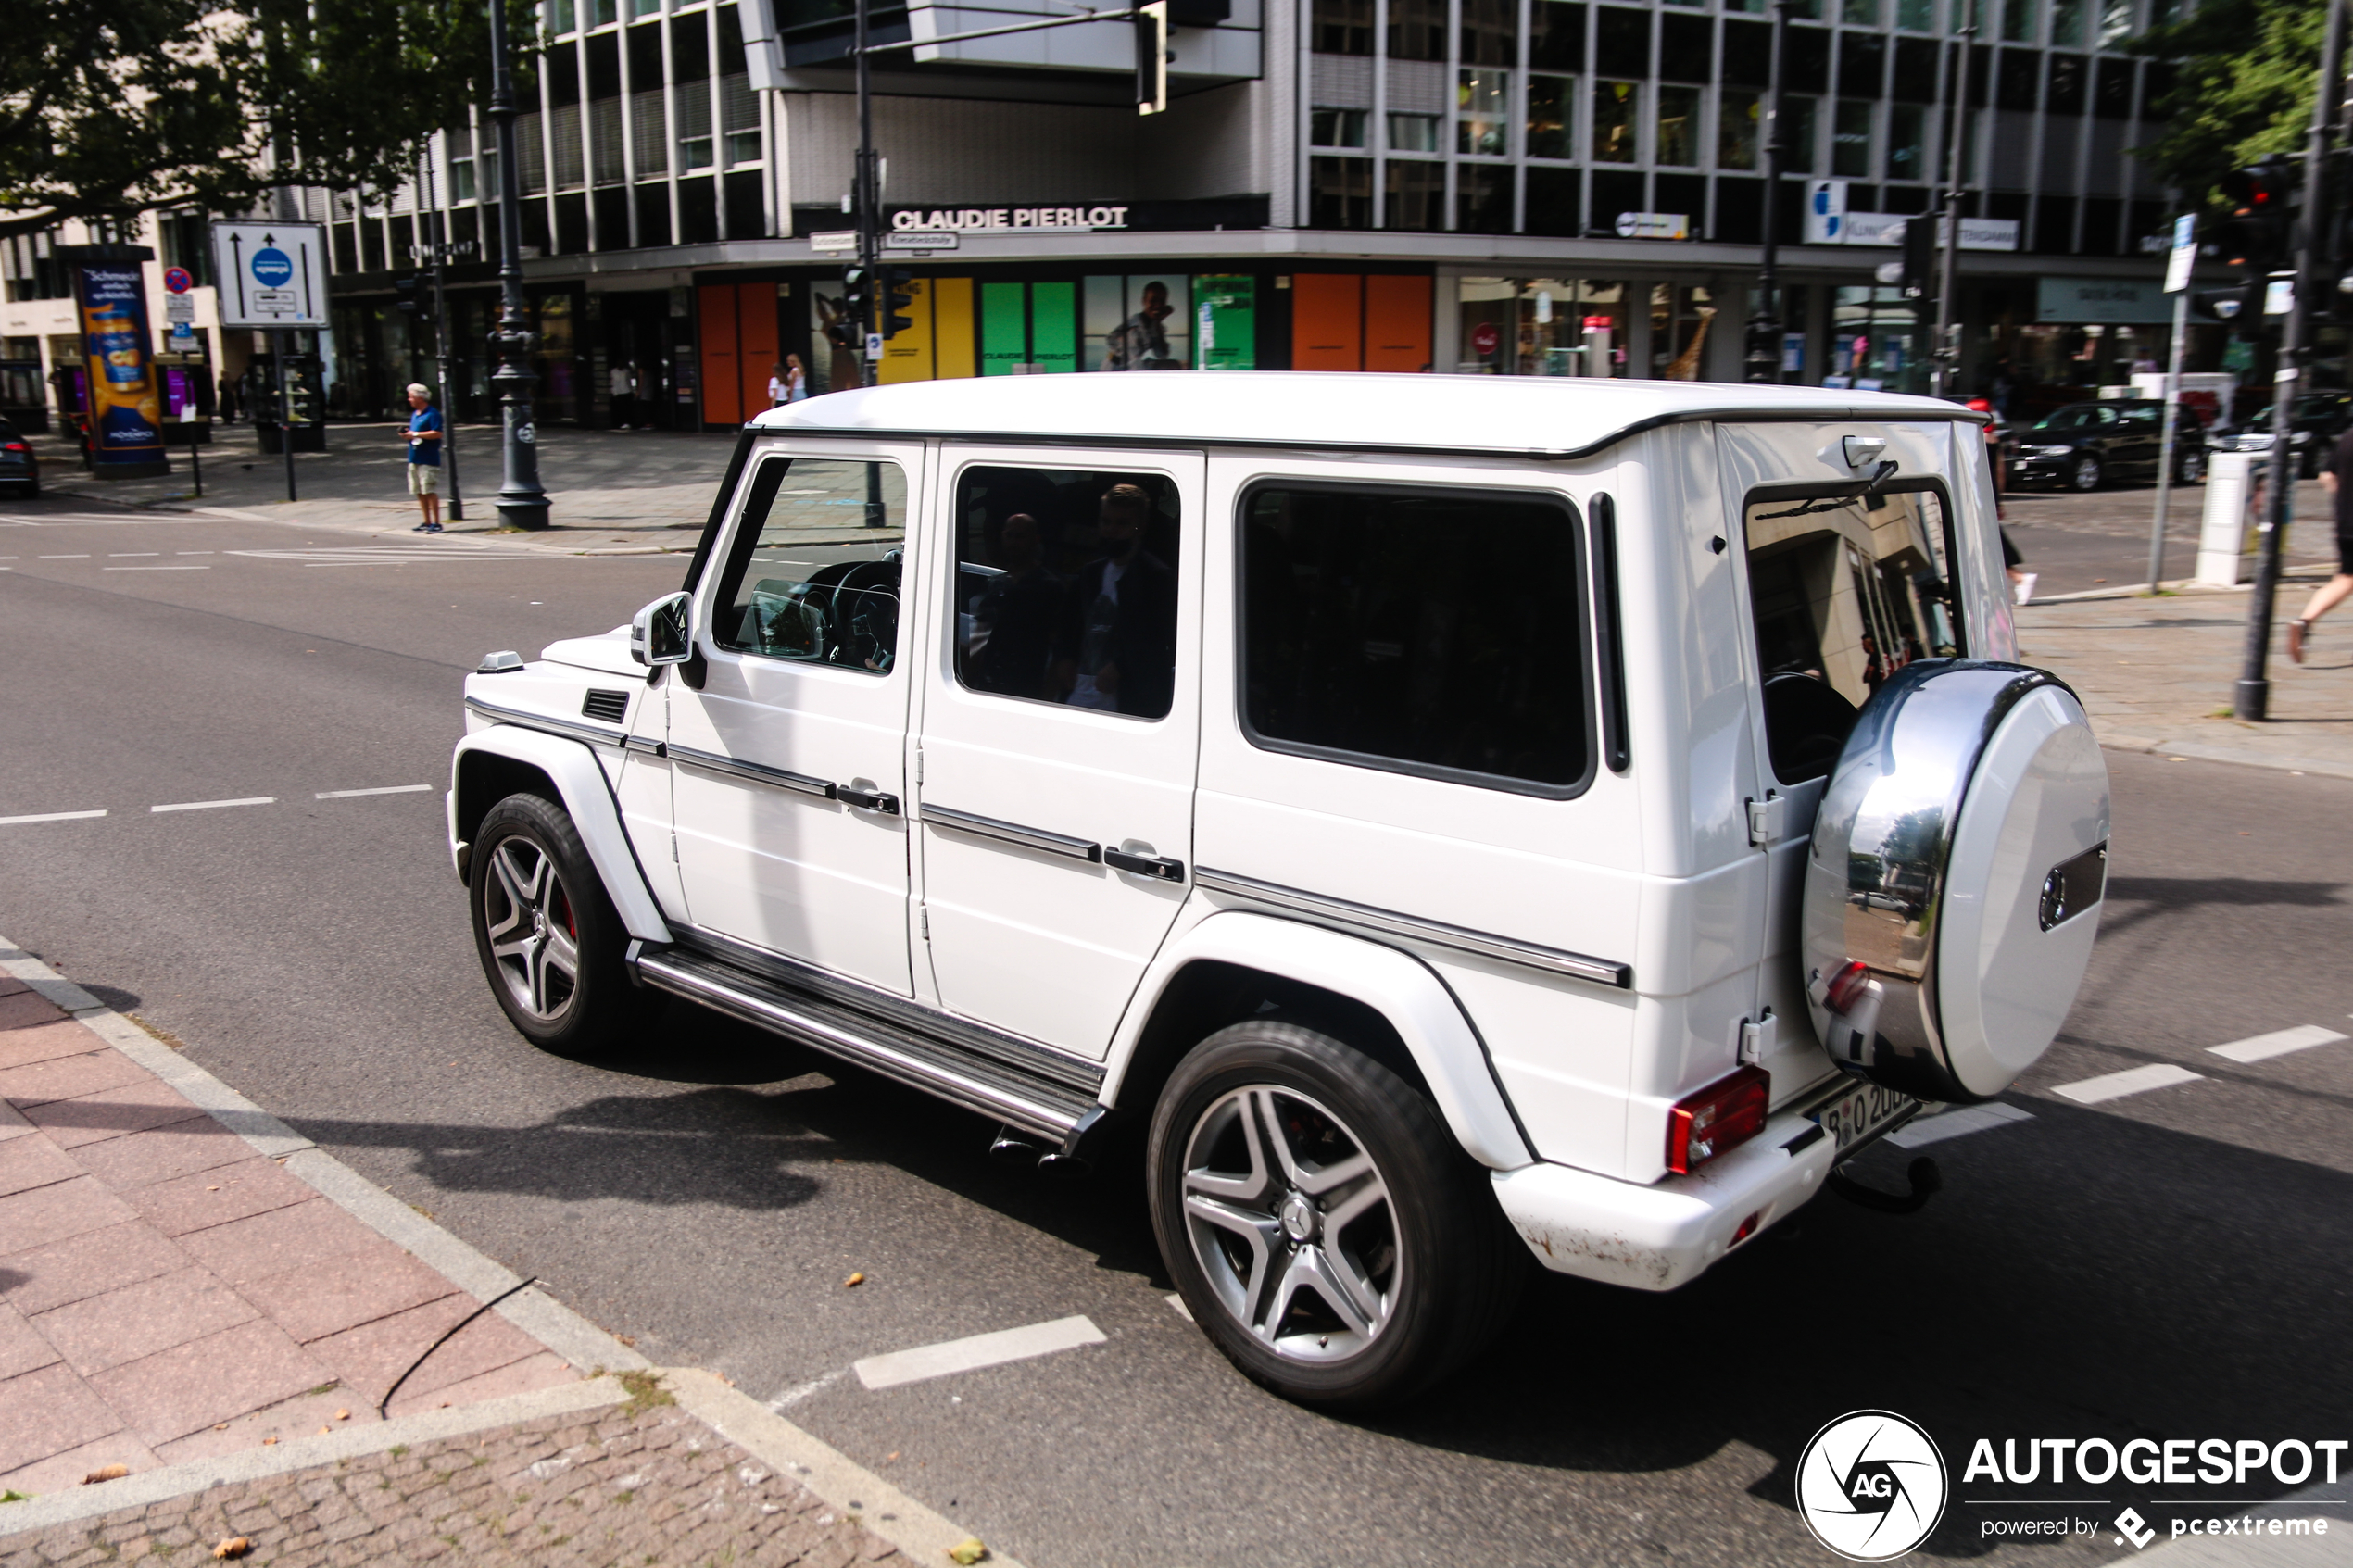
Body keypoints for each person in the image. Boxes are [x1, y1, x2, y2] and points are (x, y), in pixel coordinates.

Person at [1055, 483, 1178, 717]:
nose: (1111, 530)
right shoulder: (1091, 573)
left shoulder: (1155, 577)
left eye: (1121, 523)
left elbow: (1160, 638)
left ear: (1140, 527)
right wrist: (1065, 658)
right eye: (1106, 522)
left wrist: (1120, 667)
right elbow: (1070, 623)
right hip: (1081, 688)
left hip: (1127, 699)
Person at [964, 512, 1066, 699]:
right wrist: (968, 683)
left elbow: (1057, 647)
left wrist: (1048, 696)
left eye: (1020, 536)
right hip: (989, 686)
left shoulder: (1048, 587)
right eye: (1009, 535)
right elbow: (979, 638)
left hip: (1027, 689)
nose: (1013, 543)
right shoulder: (994, 584)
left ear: (1035, 540)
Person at [2289, 424, 2353, 662]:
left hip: (2345, 524)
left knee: (2345, 579)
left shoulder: (2348, 435)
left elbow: (2326, 476)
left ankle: (2304, 621)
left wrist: (2343, 499)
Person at [1102, 282, 1180, 371]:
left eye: (1162, 301)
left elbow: (1161, 354)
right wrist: (1126, 341)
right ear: (1144, 301)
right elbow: (1110, 339)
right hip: (1114, 367)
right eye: (1153, 301)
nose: (1158, 305)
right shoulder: (1134, 321)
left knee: (1172, 365)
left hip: (1134, 366)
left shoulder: (1156, 327)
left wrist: (1158, 323)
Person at [404, 383, 444, 533]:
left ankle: (437, 522)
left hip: (428, 457)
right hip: (415, 456)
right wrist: (408, 434)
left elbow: (437, 433)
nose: (409, 400)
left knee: (429, 489)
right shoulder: (416, 414)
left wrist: (415, 434)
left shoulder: (432, 414)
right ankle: (426, 521)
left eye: (411, 397)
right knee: (418, 490)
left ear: (420, 398)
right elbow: (415, 432)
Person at [610, 360, 635, 430]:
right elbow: (613, 383)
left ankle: (628, 423)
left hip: (627, 391)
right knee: (621, 409)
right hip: (619, 393)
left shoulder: (626, 371)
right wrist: (614, 393)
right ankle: (621, 423)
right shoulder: (613, 372)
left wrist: (632, 391)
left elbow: (629, 381)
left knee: (627, 408)